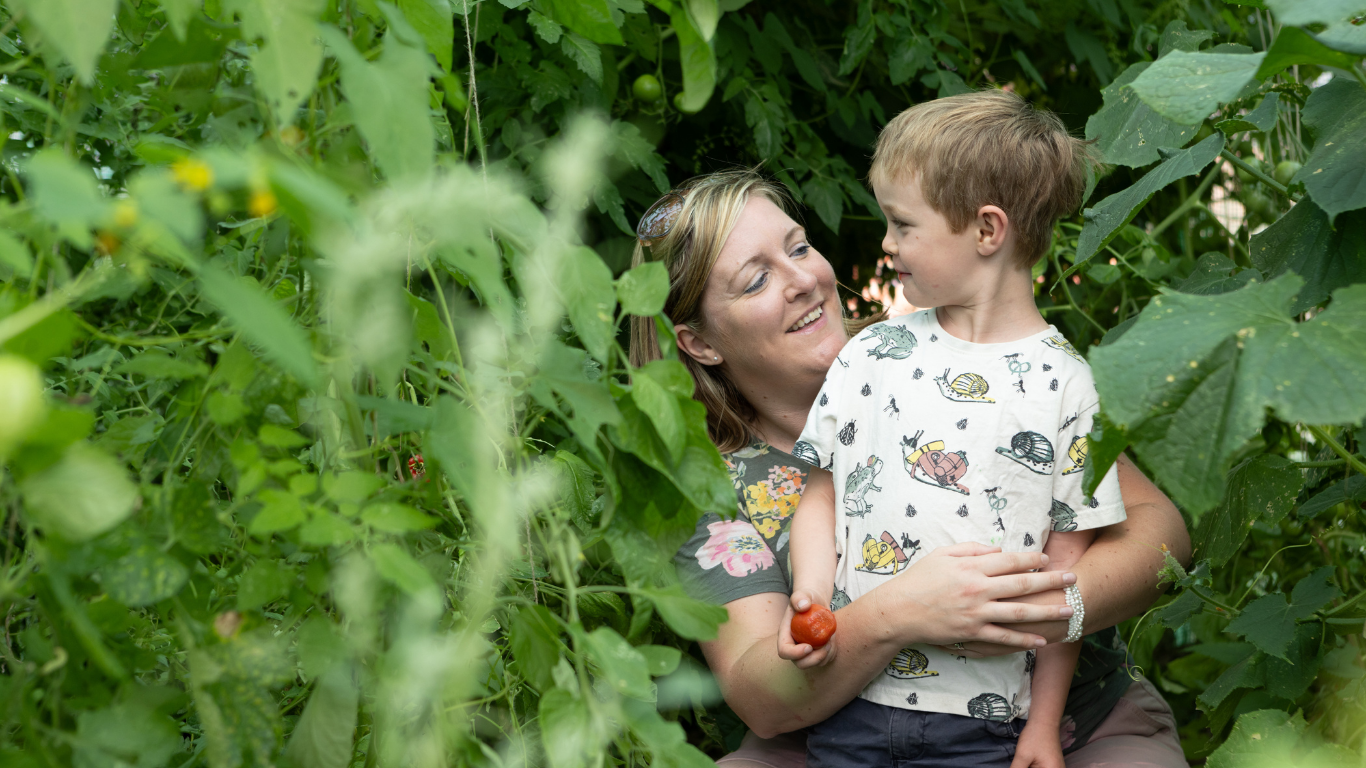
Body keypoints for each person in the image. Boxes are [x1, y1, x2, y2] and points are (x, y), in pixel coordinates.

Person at [627, 167, 1191, 768]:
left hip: (1070, 728)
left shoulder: (950, 351)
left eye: (799, 248)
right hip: (839, 742)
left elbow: (1161, 531)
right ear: (700, 344)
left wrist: (1037, 612)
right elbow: (760, 698)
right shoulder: (707, 484)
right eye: (757, 280)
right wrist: (900, 612)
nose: (803, 281)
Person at [781, 90, 1123, 768]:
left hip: (983, 728)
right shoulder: (873, 353)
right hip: (851, 699)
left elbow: (1063, 580)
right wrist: (812, 594)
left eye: (903, 224)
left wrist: (1042, 726)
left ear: (987, 231)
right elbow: (821, 493)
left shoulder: (1068, 387)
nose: (886, 243)